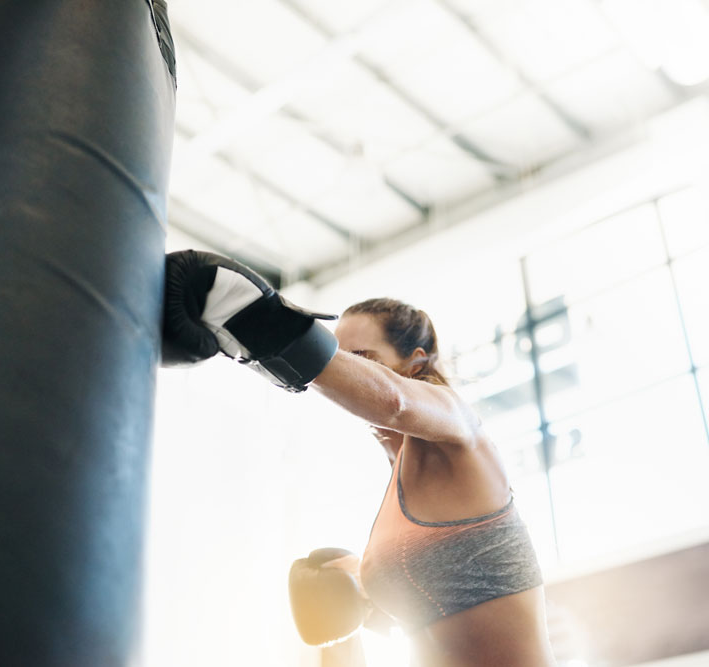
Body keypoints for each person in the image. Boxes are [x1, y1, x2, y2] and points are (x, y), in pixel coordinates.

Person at [161, 250, 556, 667]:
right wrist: (356, 587)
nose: (342, 369)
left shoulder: (459, 427)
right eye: (339, 354)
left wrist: (263, 324)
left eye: (362, 359)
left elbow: (395, 401)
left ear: (415, 365)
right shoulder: (396, 491)